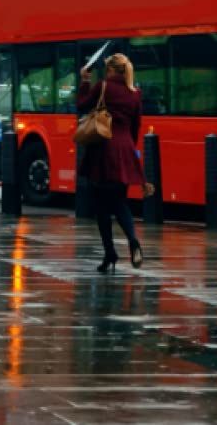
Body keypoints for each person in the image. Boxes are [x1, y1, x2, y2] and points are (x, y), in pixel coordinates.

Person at [77, 53, 145, 273]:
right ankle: (133, 241)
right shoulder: (135, 94)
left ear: (111, 71)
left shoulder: (103, 86)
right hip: (125, 150)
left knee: (102, 207)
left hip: (103, 150)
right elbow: (136, 126)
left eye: (107, 69)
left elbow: (82, 105)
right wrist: (127, 149)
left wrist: (85, 81)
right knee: (120, 202)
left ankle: (110, 253)